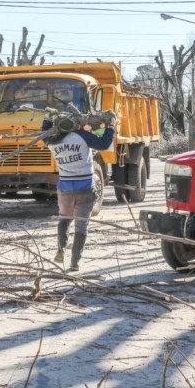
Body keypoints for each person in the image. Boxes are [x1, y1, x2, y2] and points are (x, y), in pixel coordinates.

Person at [42, 115, 115, 272]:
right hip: (85, 188)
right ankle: (75, 263)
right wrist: (110, 128)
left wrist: (47, 119)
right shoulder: (83, 137)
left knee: (64, 219)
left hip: (65, 188)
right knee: (81, 226)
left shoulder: (53, 142)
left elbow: (44, 133)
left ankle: (61, 249)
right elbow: (103, 144)